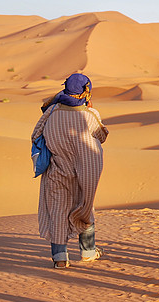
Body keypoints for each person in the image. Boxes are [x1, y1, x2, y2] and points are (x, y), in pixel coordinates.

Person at [32, 73, 109, 268]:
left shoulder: (51, 113)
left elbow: (36, 135)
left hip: (57, 170)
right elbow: (102, 135)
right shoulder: (90, 115)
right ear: (86, 91)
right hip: (85, 171)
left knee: (57, 211)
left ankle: (60, 258)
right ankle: (88, 252)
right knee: (85, 207)